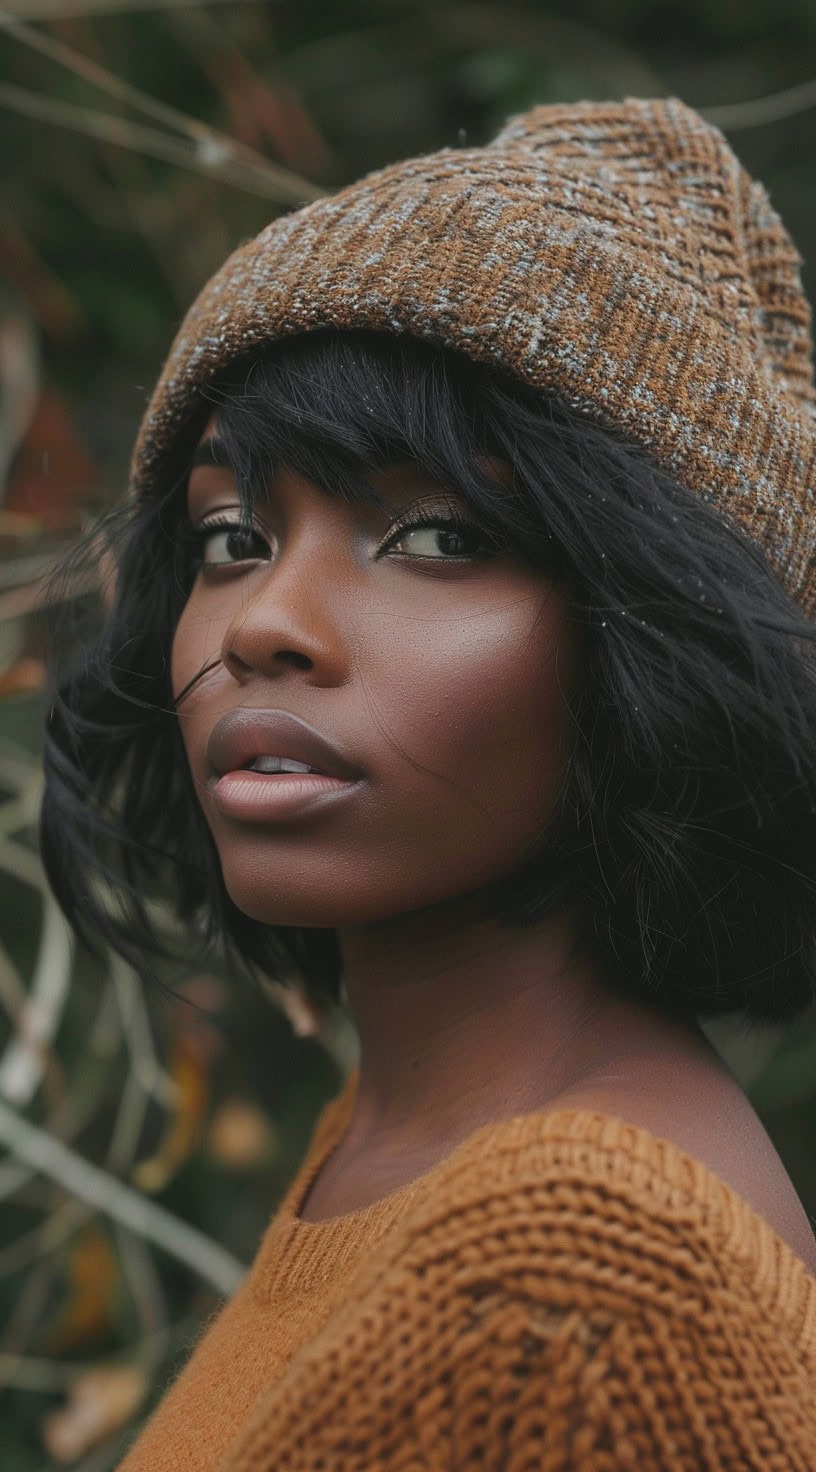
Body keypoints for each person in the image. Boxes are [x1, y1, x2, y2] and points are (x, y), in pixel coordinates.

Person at [41, 97, 816, 1469]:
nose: (266, 620)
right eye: (232, 535)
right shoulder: (406, 1136)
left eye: (441, 535)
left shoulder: (573, 1289)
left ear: (656, 638)